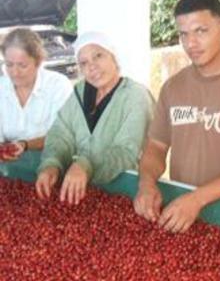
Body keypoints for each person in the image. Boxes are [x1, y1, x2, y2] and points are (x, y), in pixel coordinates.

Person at [134, 0, 220, 233]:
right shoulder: (173, 87)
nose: (190, 44)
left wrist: (196, 199)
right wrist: (146, 182)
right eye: (184, 34)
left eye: (201, 31)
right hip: (182, 214)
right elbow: (156, 147)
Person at [36, 31, 153, 204]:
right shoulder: (80, 92)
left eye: (98, 56)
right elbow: (61, 134)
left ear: (114, 58)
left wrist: (86, 165)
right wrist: (52, 163)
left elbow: (126, 152)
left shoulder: (136, 96)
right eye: (84, 63)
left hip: (125, 193)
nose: (92, 67)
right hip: (79, 191)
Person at [0, 27, 73, 162]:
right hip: (10, 167)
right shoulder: (2, 87)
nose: (15, 72)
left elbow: (62, 135)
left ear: (38, 62)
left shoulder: (58, 85)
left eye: (22, 65)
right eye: (9, 64)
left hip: (53, 164)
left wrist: (25, 145)